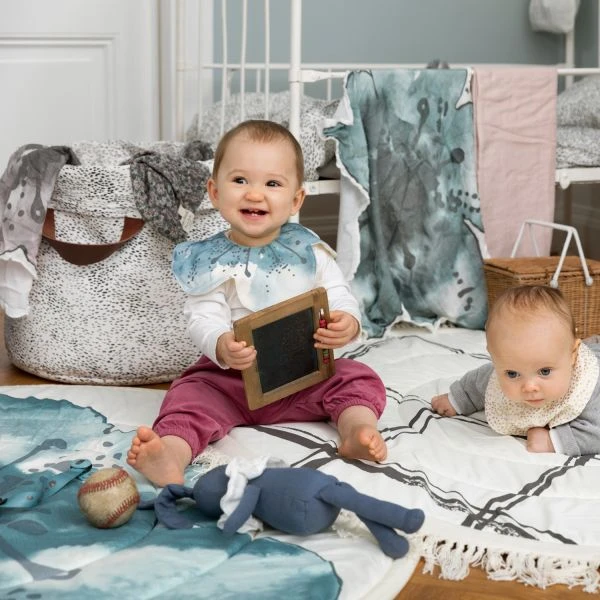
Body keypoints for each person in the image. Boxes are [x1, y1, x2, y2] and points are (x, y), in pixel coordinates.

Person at [127, 119, 387, 487]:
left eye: (272, 184)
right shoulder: (210, 260)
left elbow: (339, 294)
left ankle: (357, 430)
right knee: (188, 394)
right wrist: (221, 344)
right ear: (214, 192)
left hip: (303, 376)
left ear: (296, 200)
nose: (254, 194)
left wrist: (346, 321)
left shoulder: (309, 251)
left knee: (357, 378)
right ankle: (171, 452)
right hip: (231, 383)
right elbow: (202, 316)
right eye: (240, 180)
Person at [431, 284, 600, 456]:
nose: (529, 387)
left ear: (573, 355)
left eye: (545, 371)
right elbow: (479, 381)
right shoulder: (502, 372)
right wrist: (457, 399)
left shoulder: (587, 386)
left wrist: (553, 442)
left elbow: (596, 432)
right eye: (513, 374)